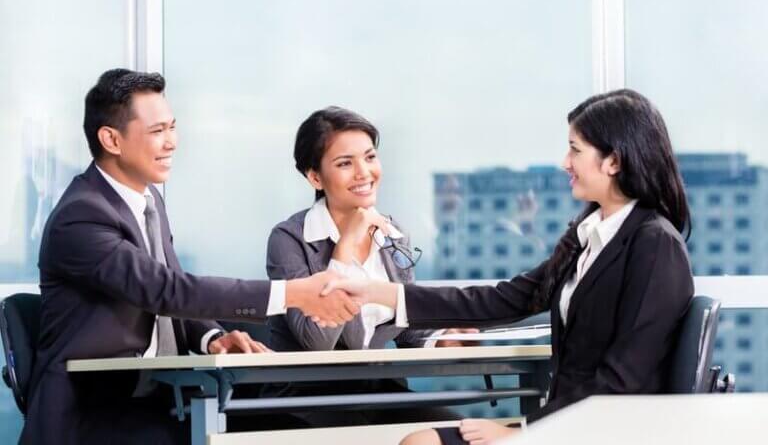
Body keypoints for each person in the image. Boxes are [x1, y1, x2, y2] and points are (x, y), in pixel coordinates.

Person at [323, 90, 695, 445]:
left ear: (613, 161)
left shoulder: (654, 244)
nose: (566, 162)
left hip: (600, 433)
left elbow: (623, 381)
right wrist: (377, 292)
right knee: (419, 439)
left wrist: (525, 432)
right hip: (567, 422)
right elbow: (500, 300)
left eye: (575, 150)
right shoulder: (591, 237)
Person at [21, 69, 359, 445]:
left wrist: (212, 337)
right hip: (92, 415)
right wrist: (292, 293)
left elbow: (171, 298)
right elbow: (167, 290)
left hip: (157, 402)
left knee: (294, 433)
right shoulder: (81, 215)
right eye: (157, 131)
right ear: (111, 139)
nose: (171, 143)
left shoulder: (148, 204)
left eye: (172, 127)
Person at [263, 106, 470, 427]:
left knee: (460, 434)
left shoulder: (390, 232)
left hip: (378, 392)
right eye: (345, 163)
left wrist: (441, 337)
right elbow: (316, 341)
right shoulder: (289, 239)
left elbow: (404, 322)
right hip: (306, 400)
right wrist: (346, 249)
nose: (364, 172)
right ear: (314, 176)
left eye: (370, 157)